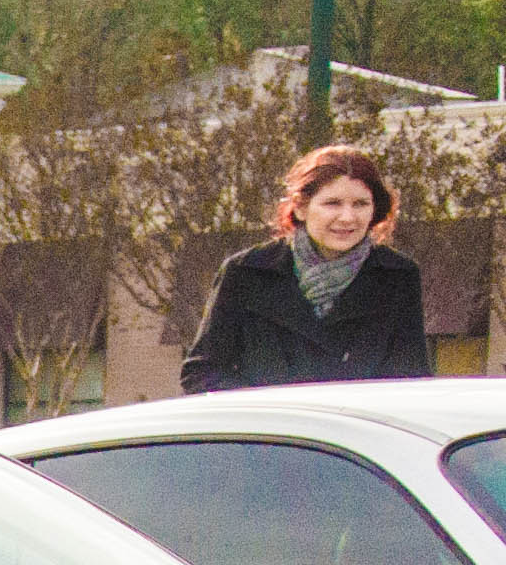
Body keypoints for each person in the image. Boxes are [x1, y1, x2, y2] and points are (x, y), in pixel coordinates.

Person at [185, 144, 433, 390]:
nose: (348, 217)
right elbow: (201, 373)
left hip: (359, 426)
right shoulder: (246, 272)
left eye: (360, 204)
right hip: (273, 426)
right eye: (332, 203)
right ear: (301, 207)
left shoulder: (396, 276)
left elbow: (411, 380)